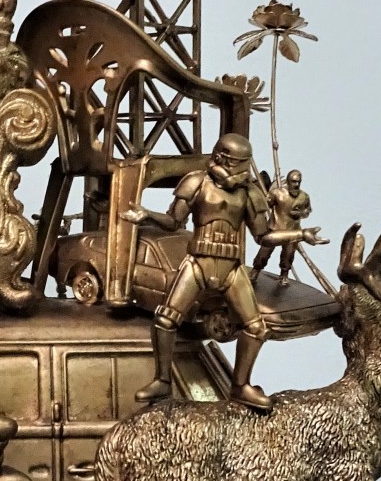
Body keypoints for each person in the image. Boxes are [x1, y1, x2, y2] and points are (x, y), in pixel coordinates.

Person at [129, 133, 305, 410]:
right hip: (198, 262)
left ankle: (241, 386)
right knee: (165, 319)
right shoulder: (196, 182)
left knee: (256, 328)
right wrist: (147, 214)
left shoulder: (249, 193)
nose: (240, 169)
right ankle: (162, 380)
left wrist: (299, 234)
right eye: (238, 162)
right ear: (222, 158)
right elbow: (174, 221)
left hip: (231, 268)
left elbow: (263, 236)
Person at [251, 169, 321, 282]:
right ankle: (256, 270)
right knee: (264, 253)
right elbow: (264, 205)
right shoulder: (277, 193)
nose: (296, 185)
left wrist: (302, 213)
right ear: (288, 181)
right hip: (274, 229)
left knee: (288, 255)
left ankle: (284, 274)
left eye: (298, 182)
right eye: (294, 182)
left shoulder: (304, 196)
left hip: (293, 231)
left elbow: (308, 210)